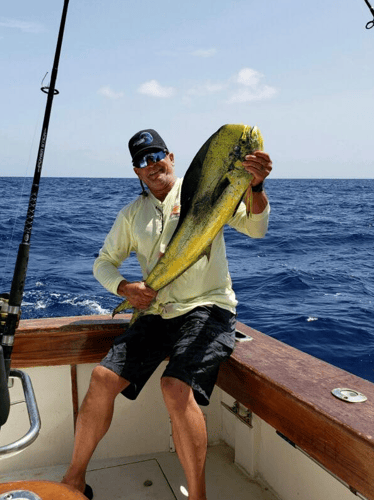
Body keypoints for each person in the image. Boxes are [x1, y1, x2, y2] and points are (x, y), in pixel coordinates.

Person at [62, 128, 272, 500]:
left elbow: (255, 228)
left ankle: (198, 496)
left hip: (208, 307)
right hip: (157, 312)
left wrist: (254, 187)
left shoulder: (208, 192)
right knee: (100, 378)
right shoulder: (132, 215)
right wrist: (127, 289)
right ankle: (74, 479)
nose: (152, 164)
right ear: (136, 172)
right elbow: (103, 264)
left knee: (175, 387)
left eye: (156, 155)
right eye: (142, 161)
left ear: (171, 157)